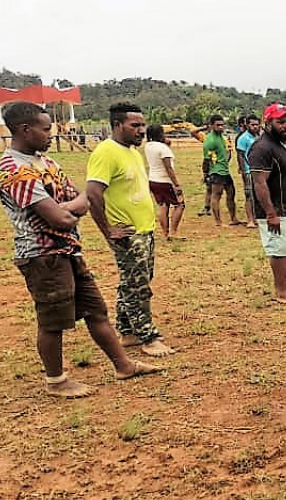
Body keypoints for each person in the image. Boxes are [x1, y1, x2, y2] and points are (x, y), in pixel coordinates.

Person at [0, 103, 160, 397]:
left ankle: (123, 365)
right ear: (25, 130)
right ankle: (56, 381)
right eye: (45, 129)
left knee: (96, 311)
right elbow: (60, 217)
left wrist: (65, 209)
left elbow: (81, 200)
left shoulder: (46, 163)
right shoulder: (14, 171)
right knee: (52, 321)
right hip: (42, 256)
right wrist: (66, 210)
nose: (51, 134)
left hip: (69, 249)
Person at [86, 103, 175, 357]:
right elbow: (93, 194)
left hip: (143, 230)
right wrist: (108, 230)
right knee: (138, 286)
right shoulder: (106, 153)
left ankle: (127, 331)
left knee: (133, 282)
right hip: (127, 233)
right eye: (134, 125)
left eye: (142, 125)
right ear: (117, 125)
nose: (141, 130)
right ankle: (148, 337)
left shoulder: (133, 153)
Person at [249, 103, 286, 304]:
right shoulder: (262, 147)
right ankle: (282, 290)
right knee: (279, 250)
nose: (285, 125)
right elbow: (259, 182)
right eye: (280, 121)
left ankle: (285, 286)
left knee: (285, 249)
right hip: (276, 209)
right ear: (268, 122)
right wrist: (270, 213)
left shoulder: (285, 143)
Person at [144, 125, 185, 240]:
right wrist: (176, 184)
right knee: (180, 204)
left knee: (163, 205)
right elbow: (168, 168)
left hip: (153, 179)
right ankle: (173, 232)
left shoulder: (148, 146)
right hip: (165, 180)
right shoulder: (163, 149)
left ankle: (165, 233)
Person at [202, 115, 240, 226]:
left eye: (222, 125)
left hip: (225, 170)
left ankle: (234, 218)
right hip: (216, 171)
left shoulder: (222, 137)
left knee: (231, 194)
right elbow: (206, 160)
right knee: (216, 195)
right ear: (212, 125)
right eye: (218, 125)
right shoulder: (210, 140)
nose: (221, 127)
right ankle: (218, 221)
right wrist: (205, 173)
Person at [236, 115, 261, 229]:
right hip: (249, 170)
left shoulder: (260, 136)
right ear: (247, 125)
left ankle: (258, 218)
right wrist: (244, 171)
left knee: (260, 195)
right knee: (249, 195)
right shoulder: (243, 138)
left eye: (257, 124)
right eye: (252, 125)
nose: (255, 127)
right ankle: (250, 219)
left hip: (260, 170)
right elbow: (240, 155)